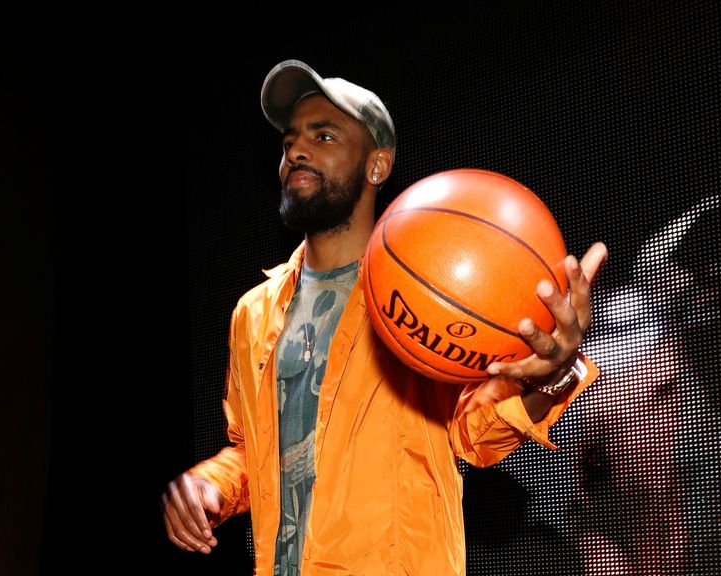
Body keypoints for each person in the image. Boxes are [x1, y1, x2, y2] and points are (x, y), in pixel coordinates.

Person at [161, 59, 608, 575]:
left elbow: (476, 436)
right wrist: (211, 484)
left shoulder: (428, 294)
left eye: (323, 135)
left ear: (377, 165)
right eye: (289, 141)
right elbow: (256, 451)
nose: (296, 151)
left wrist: (552, 375)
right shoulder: (252, 313)